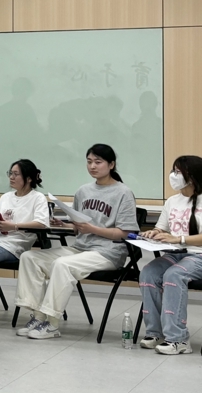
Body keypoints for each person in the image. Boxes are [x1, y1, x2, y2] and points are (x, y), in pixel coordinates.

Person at [14, 144, 137, 340]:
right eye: (89, 162)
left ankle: (52, 324)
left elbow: (124, 233)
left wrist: (92, 229)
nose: (92, 166)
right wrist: (66, 225)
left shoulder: (123, 193)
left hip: (108, 253)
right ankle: (38, 317)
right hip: (80, 248)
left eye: (98, 162)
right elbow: (79, 225)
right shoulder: (83, 191)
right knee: (30, 257)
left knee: (62, 264)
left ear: (111, 164)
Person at [138, 155, 202, 355]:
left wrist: (179, 239)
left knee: (174, 275)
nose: (173, 175)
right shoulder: (172, 201)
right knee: (148, 272)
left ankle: (178, 339)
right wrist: (154, 233)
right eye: (173, 171)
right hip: (176, 254)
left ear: (192, 176)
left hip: (198, 256)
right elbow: (162, 228)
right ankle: (155, 333)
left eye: (178, 172)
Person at [0, 159, 49, 267]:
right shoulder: (6, 196)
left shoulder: (37, 198)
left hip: (13, 245)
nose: (11, 177)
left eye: (16, 174)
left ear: (29, 178)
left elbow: (41, 223)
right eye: (10, 173)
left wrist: (13, 226)